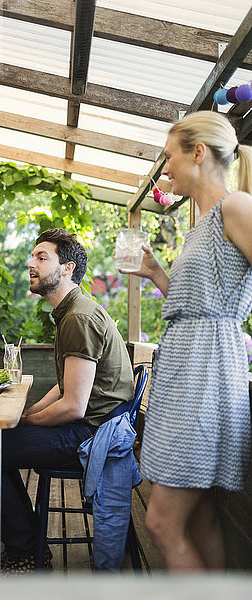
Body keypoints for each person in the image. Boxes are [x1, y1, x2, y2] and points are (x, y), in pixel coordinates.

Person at [0, 228, 134, 574]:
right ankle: (26, 542)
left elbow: (74, 406)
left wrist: (23, 422)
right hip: (94, 423)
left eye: (42, 257)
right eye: (33, 256)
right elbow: (64, 387)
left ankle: (25, 551)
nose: (31, 263)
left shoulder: (78, 318)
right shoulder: (71, 311)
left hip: (93, 433)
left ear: (67, 268)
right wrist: (27, 413)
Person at [124, 111, 252, 570]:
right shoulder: (200, 224)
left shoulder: (237, 206)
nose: (164, 170)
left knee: (160, 522)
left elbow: (216, 311)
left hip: (207, 374)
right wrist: (157, 271)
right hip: (185, 371)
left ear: (198, 153)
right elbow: (196, 300)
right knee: (200, 521)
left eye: (168, 157)